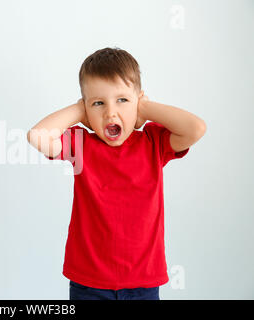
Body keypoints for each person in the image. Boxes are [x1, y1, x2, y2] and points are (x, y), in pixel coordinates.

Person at [26, 47, 206, 300]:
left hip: (143, 282)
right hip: (89, 282)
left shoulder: (153, 143)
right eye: (98, 103)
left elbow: (196, 129)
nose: (110, 112)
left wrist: (145, 108)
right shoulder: (81, 145)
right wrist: (80, 111)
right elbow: (37, 136)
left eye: (122, 100)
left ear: (139, 101)